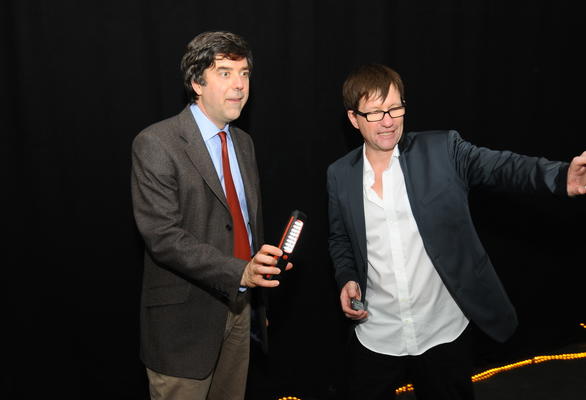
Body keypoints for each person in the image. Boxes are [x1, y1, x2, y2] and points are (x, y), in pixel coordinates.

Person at [327, 63, 586, 400]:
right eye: (375, 113)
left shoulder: (443, 150)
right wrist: (347, 277)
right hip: (377, 334)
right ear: (354, 118)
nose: (388, 121)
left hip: (443, 331)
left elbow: (502, 166)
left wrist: (561, 177)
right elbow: (340, 239)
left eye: (395, 108)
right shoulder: (339, 175)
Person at [131, 31, 291, 400]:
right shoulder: (156, 143)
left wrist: (259, 291)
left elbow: (245, 226)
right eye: (225, 72)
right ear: (196, 82)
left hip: (240, 312)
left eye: (245, 73)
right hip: (183, 325)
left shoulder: (244, 143)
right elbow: (163, 237)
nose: (239, 84)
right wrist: (240, 272)